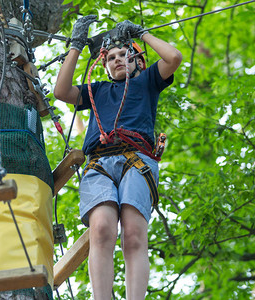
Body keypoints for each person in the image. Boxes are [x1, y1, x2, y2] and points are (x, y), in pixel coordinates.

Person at [54, 15, 182, 300]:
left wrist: (143, 33)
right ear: (105, 65)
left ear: (138, 60)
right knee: (101, 229)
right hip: (99, 163)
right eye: (111, 57)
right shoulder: (97, 90)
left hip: (136, 159)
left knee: (134, 234)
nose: (118, 60)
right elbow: (61, 91)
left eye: (125, 55)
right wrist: (75, 45)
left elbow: (173, 57)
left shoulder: (148, 81)